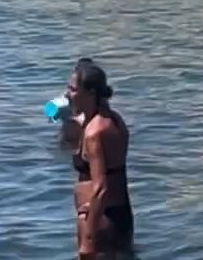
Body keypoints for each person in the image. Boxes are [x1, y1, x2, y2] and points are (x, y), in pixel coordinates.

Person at [66, 61, 133, 259]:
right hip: (119, 215)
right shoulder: (115, 120)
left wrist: (88, 238)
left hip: (98, 221)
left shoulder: (94, 132)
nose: (67, 94)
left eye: (73, 89)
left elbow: (100, 188)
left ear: (91, 93)